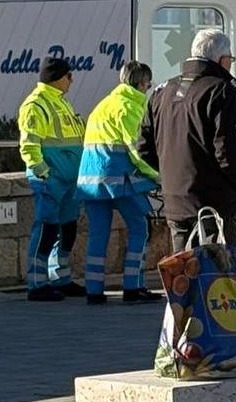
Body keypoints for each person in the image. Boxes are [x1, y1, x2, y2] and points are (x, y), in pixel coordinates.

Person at [138, 29, 236, 251]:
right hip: (212, 204)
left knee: (183, 275)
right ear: (221, 59)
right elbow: (226, 151)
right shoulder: (220, 91)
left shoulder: (162, 92)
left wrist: (170, 174)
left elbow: (143, 147)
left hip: (174, 201)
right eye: (230, 60)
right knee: (216, 277)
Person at [76, 62, 162, 305]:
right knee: (140, 227)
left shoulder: (104, 105)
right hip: (119, 180)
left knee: (98, 234)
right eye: (148, 84)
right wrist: (156, 175)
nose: (148, 89)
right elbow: (136, 151)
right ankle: (133, 287)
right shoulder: (130, 106)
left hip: (91, 182)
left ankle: (94, 291)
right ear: (141, 83)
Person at [18, 57, 87, 301]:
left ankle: (61, 278)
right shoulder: (36, 105)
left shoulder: (61, 103)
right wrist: (42, 171)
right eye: (69, 76)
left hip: (68, 182)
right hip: (49, 180)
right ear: (57, 77)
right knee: (47, 228)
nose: (72, 80)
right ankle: (36, 283)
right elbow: (29, 144)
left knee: (68, 229)